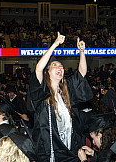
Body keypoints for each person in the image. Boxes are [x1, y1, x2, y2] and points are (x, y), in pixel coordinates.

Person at [27, 32, 94, 161]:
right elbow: (38, 69)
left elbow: (82, 73)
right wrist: (56, 44)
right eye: (55, 65)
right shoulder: (43, 92)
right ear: (48, 71)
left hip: (70, 146)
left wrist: (82, 52)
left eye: (61, 66)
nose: (60, 68)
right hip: (50, 148)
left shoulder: (65, 92)